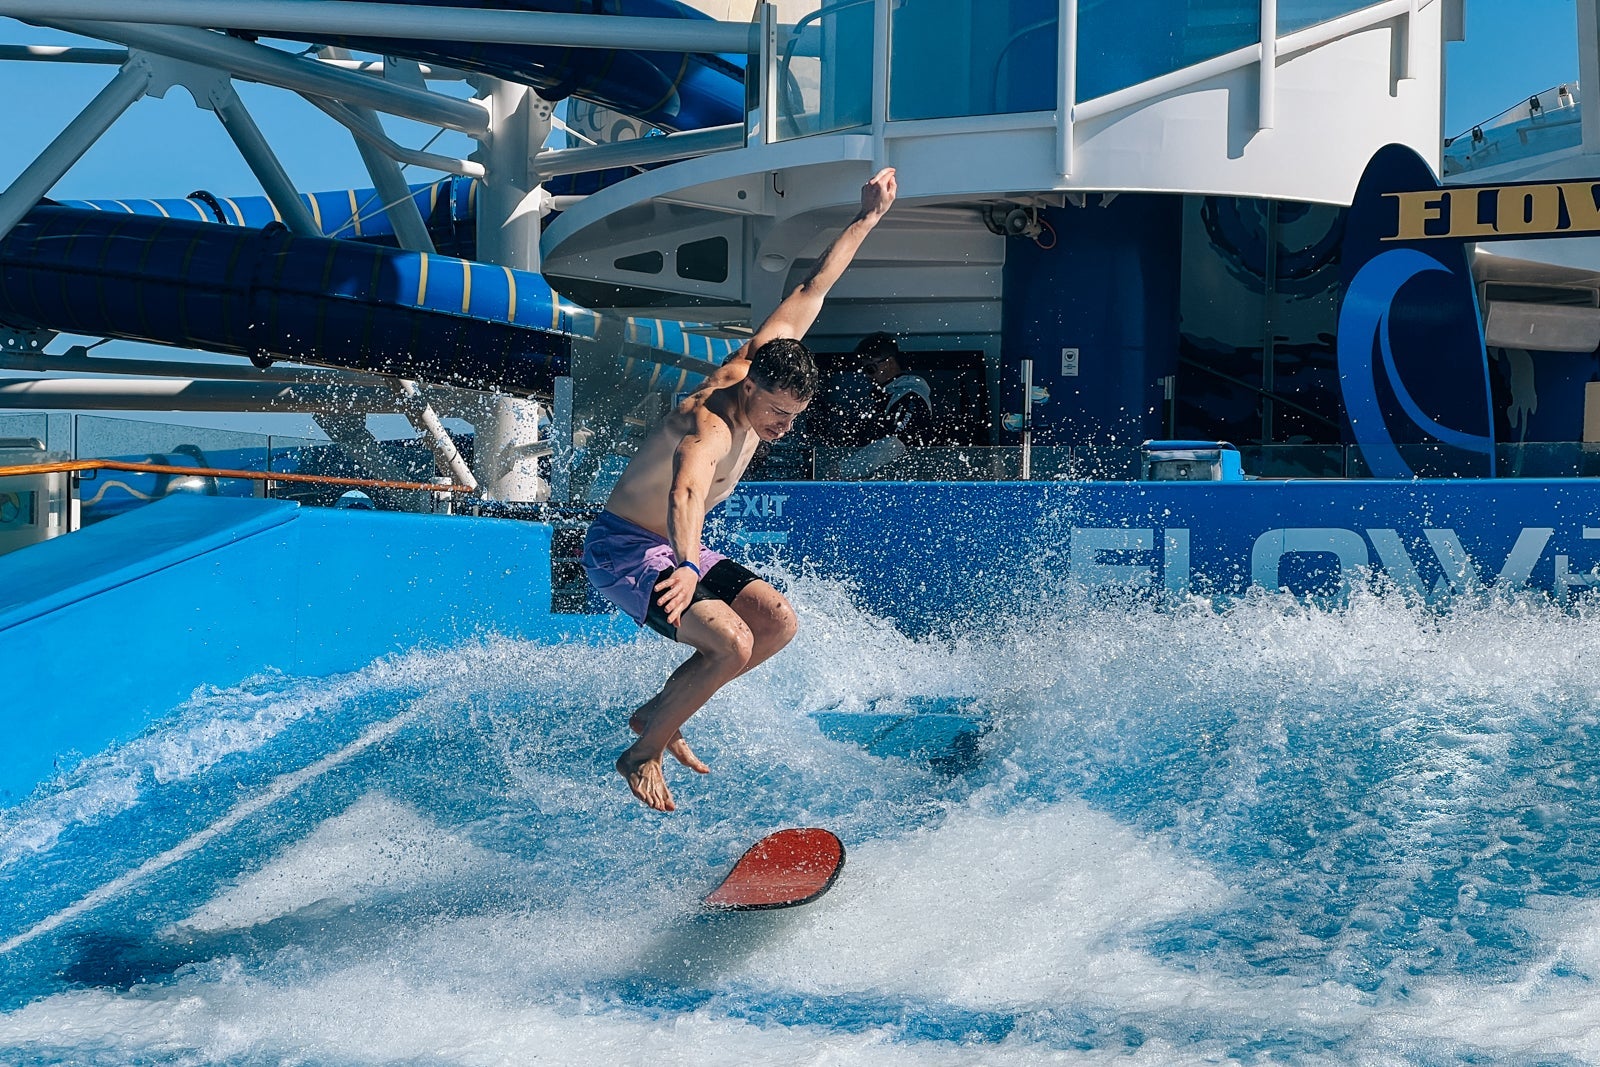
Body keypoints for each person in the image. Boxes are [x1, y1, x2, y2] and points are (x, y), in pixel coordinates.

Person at [582, 167, 898, 812]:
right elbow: (685, 498)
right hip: (628, 548)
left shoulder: (767, 356)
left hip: (675, 547)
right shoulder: (708, 428)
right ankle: (640, 754)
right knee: (732, 642)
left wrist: (867, 217)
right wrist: (688, 566)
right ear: (750, 388)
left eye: (794, 418)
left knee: (777, 624)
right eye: (776, 414)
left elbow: (813, 286)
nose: (783, 428)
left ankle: (659, 713)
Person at [838, 332, 935, 478]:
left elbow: (896, 442)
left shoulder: (911, 397)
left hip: (906, 482)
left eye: (870, 369)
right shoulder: (886, 396)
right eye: (864, 370)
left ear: (889, 362)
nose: (867, 376)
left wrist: (844, 469)